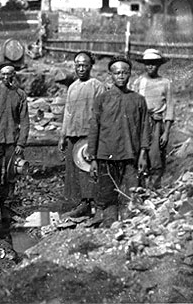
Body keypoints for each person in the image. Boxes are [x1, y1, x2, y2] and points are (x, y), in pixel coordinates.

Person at [87, 56, 150, 227]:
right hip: (106, 156)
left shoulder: (138, 100)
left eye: (124, 72)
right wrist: (93, 158)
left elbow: (145, 128)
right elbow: (94, 128)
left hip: (131, 155)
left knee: (131, 193)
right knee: (107, 194)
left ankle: (129, 227)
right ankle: (110, 226)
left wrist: (143, 153)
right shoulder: (102, 99)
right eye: (117, 73)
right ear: (111, 75)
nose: (121, 76)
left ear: (130, 74)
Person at [59, 51, 106, 216]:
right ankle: (78, 203)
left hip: (88, 136)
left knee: (87, 169)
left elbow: (102, 113)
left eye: (84, 65)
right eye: (78, 65)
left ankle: (91, 204)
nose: (81, 69)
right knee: (73, 171)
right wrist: (63, 135)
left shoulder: (97, 86)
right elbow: (68, 112)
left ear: (91, 66)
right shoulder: (72, 87)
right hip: (73, 134)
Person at [0, 63, 30, 206]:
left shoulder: (20, 95)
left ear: (14, 75)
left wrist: (21, 143)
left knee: (11, 173)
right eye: (3, 74)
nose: (6, 77)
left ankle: (9, 200)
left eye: (9, 74)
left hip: (12, 141)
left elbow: (25, 121)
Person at [131, 49, 174, 190]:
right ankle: (139, 189)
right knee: (138, 154)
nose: (150, 66)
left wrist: (166, 132)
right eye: (147, 64)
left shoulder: (165, 83)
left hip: (156, 124)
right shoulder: (139, 82)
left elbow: (170, 108)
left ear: (159, 65)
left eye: (154, 64)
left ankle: (154, 189)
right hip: (141, 123)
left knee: (155, 156)